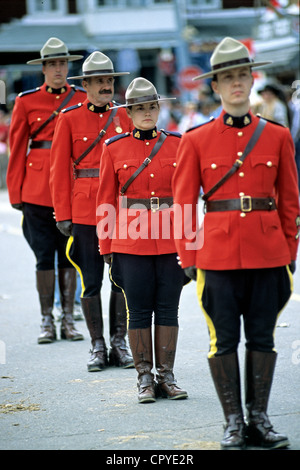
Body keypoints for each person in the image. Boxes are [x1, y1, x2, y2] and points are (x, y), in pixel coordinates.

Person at [172, 37, 300, 449]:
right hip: (217, 257)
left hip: (268, 254)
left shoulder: (277, 136)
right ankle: (232, 422)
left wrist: (289, 251)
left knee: (263, 338)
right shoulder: (195, 139)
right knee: (223, 340)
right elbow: (183, 204)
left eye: (242, 75)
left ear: (251, 78)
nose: (236, 84)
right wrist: (189, 256)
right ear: (215, 86)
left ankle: (259, 420)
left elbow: (291, 201)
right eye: (227, 78)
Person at [96, 77, 188, 403]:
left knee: (168, 309)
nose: (146, 113)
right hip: (129, 242)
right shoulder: (114, 148)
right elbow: (105, 201)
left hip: (169, 239)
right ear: (130, 113)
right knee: (137, 311)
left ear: (159, 108)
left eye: (151, 106)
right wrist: (106, 248)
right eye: (139, 108)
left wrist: (190, 243)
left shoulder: (179, 144)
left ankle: (167, 376)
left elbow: (187, 198)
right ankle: (145, 379)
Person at [50, 51, 134, 372]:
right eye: (99, 81)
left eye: (109, 80)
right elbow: (58, 170)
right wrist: (63, 213)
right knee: (91, 281)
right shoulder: (68, 118)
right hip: (85, 209)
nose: (105, 86)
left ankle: (119, 342)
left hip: (121, 210)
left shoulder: (124, 115)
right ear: (85, 84)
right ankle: (97, 345)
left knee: (121, 279)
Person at [6, 37, 86, 344]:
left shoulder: (80, 97)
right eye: (52, 64)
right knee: (43, 257)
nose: (58, 69)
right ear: (42, 68)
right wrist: (15, 194)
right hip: (37, 189)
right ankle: (46, 321)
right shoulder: (26, 102)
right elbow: (16, 151)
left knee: (68, 256)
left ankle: (68, 319)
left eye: (62, 63)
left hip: (72, 185)